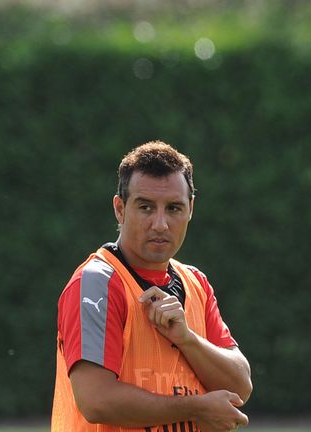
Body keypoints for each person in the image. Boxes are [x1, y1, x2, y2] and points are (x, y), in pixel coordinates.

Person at [52, 141, 252, 432]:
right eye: (145, 207)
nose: (160, 224)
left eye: (173, 208)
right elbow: (97, 401)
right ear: (120, 209)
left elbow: (240, 386)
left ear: (191, 209)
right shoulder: (97, 283)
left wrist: (188, 339)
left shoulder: (195, 282)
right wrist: (197, 408)